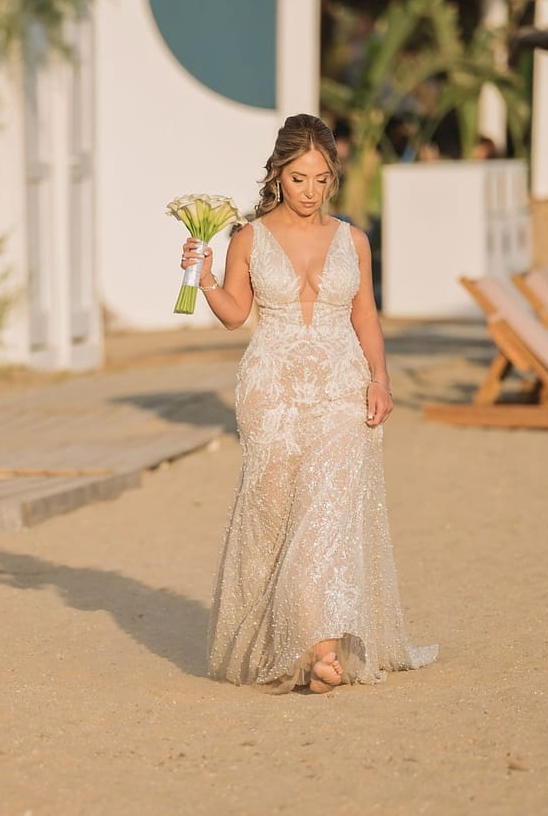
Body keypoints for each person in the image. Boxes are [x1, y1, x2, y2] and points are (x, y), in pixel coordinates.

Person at [179, 113, 437, 694]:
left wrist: (380, 378)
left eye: (321, 180)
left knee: (326, 513)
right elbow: (235, 316)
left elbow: (365, 316)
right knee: (273, 514)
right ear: (277, 175)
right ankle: (287, 646)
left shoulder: (353, 240)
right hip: (270, 390)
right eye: (299, 179)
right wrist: (204, 277)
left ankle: (320, 648)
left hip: (342, 385)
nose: (310, 191)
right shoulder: (248, 238)